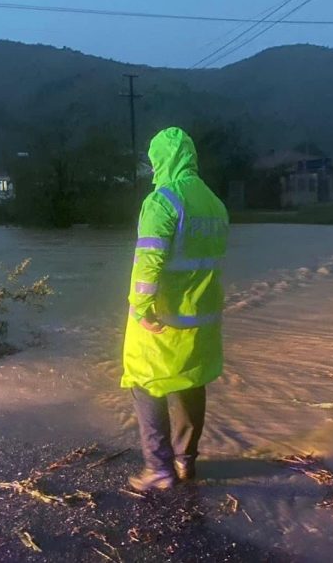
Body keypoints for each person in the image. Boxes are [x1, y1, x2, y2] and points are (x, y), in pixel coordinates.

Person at [121, 127, 229, 492]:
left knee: (145, 382)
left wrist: (139, 308)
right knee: (191, 382)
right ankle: (186, 462)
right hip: (202, 318)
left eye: (154, 161)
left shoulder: (162, 201)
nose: (152, 168)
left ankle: (159, 469)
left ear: (162, 160)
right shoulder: (214, 203)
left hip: (163, 318)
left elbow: (147, 263)